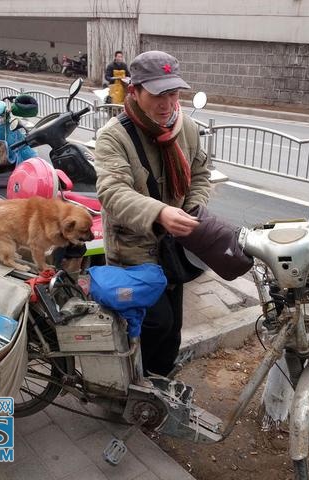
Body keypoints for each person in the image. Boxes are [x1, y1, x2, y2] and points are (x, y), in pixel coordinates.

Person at [94, 50, 211, 377]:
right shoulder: (113, 136)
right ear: (135, 91)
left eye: (173, 94)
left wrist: (193, 208)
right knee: (154, 323)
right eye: (158, 94)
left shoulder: (184, 127)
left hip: (174, 247)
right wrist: (160, 213)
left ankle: (161, 380)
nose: (167, 103)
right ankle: (132, 383)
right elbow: (112, 193)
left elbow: (201, 172)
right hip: (133, 251)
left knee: (173, 325)